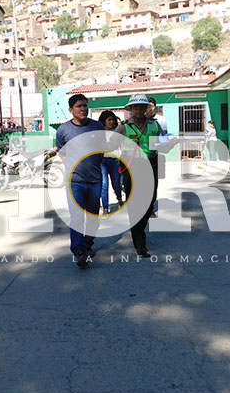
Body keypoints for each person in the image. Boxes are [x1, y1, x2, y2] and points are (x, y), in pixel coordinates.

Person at [55, 94, 105, 269]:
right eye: (79, 106)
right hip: (74, 182)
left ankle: (87, 244)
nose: (83, 109)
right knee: (77, 217)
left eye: (85, 105)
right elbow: (62, 153)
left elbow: (101, 151)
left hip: (95, 180)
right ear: (71, 110)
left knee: (93, 218)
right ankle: (79, 251)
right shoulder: (63, 130)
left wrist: (91, 167)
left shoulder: (97, 127)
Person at [115, 93, 166, 258]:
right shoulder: (123, 127)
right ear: (130, 108)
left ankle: (138, 230)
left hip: (151, 165)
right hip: (131, 167)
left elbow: (161, 142)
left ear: (146, 108)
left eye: (141, 106)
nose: (138, 109)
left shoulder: (154, 125)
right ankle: (139, 242)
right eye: (135, 106)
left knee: (150, 202)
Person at [98, 110, 123, 216]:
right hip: (103, 161)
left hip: (115, 161)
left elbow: (122, 146)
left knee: (116, 184)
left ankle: (119, 199)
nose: (112, 122)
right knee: (104, 185)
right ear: (104, 121)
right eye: (109, 120)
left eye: (113, 120)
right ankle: (105, 208)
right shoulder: (99, 133)